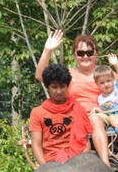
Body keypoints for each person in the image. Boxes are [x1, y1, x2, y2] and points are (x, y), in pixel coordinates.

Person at [34, 29, 110, 160]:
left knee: (95, 119)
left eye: (89, 52)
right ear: (74, 55)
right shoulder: (68, 74)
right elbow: (41, 76)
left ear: (96, 54)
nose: (85, 56)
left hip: (98, 116)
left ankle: (105, 165)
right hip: (71, 118)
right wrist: (48, 50)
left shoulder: (105, 75)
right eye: (81, 53)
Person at [28, 63, 109, 166]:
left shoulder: (78, 109)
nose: (59, 91)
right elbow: (36, 145)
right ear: (47, 87)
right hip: (50, 164)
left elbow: (85, 144)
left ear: (68, 86)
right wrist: (44, 167)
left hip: (77, 161)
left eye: (62, 86)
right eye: (54, 87)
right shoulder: (37, 113)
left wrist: (80, 163)